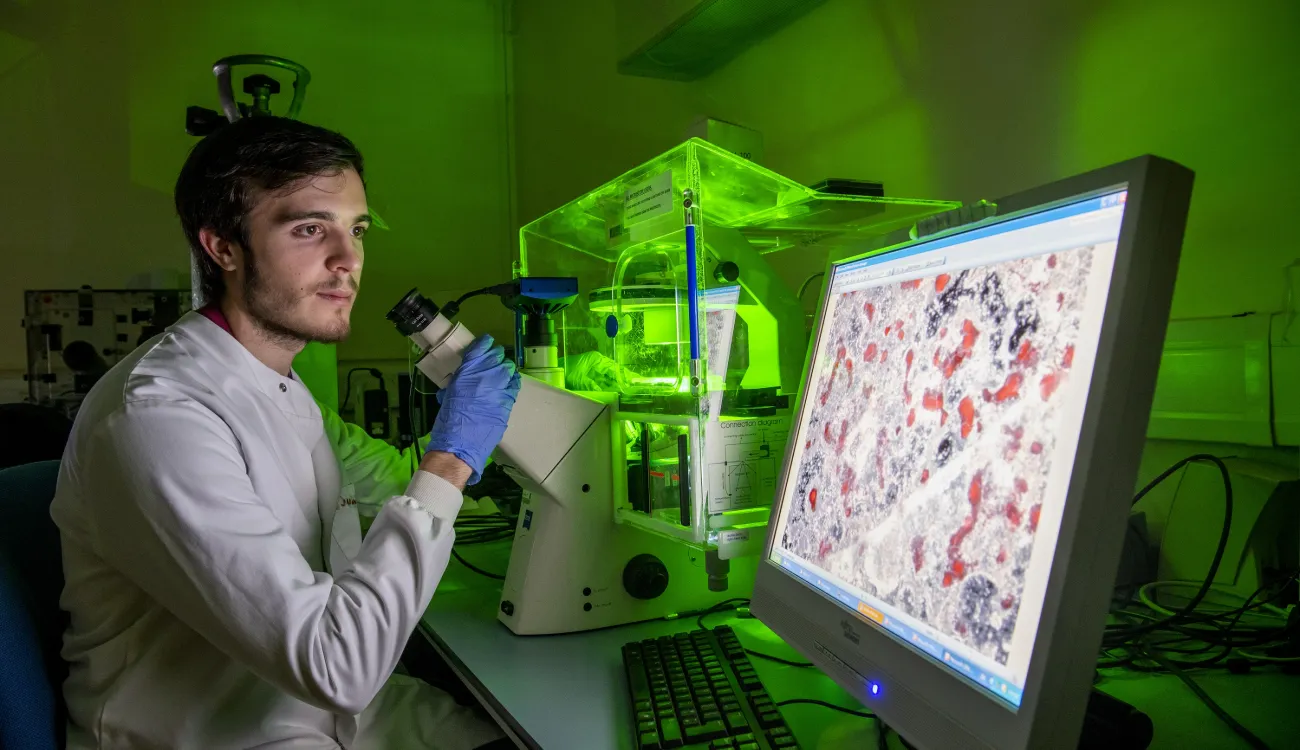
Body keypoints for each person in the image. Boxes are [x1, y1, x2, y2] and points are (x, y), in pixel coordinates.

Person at [49, 116, 521, 749]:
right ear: (222, 247)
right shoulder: (157, 416)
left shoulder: (279, 386)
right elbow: (336, 666)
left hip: (345, 716)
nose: (348, 260)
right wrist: (451, 459)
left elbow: (386, 477)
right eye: (308, 229)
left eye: (356, 229)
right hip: (222, 733)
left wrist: (496, 458)